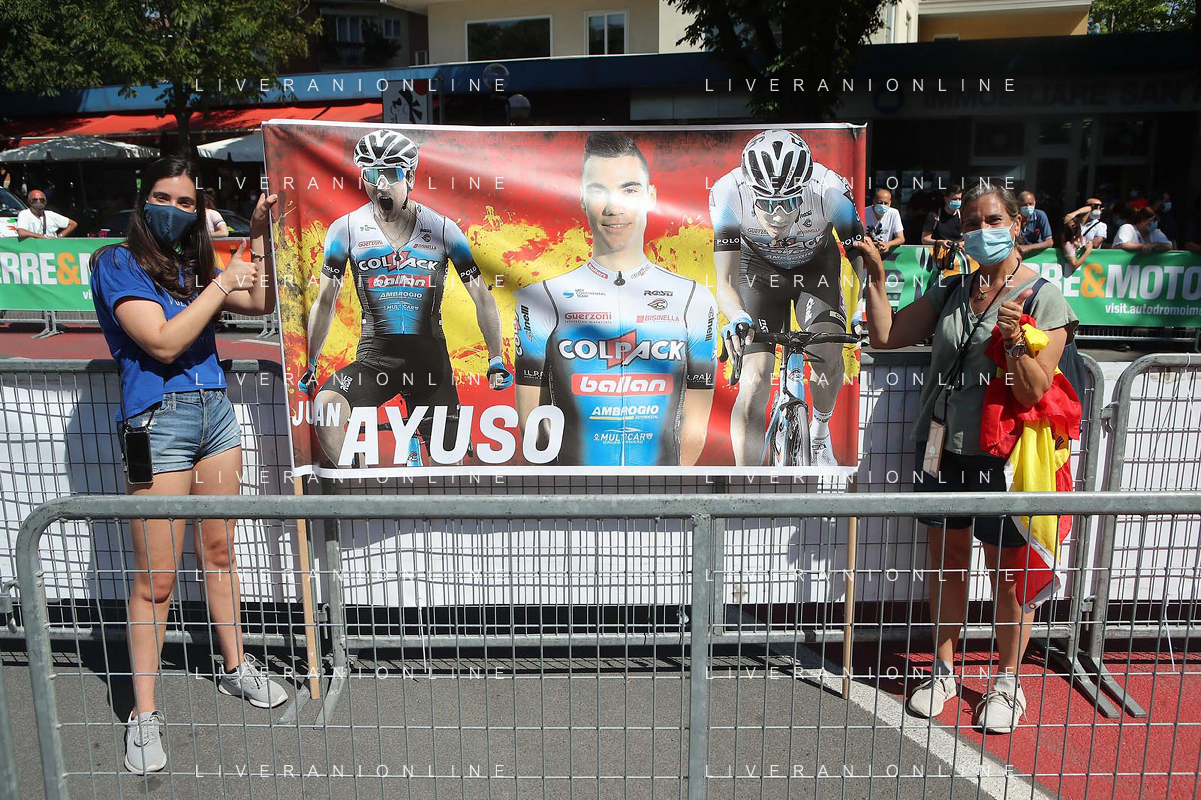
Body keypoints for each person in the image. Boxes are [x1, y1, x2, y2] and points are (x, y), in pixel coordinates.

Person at [90, 156, 287, 774]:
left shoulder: (190, 265)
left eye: (184, 201)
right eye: (162, 197)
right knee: (157, 580)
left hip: (215, 416)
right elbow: (163, 340)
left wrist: (258, 234)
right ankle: (143, 714)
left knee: (220, 552)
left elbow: (263, 300)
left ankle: (235, 666)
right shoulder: (115, 263)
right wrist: (222, 284)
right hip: (159, 424)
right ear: (141, 200)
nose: (173, 210)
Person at [861, 183, 1078, 735]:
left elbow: (1033, 391)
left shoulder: (1043, 297)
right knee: (947, 560)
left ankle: (1007, 682)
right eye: (971, 223)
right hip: (940, 447)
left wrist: (1014, 341)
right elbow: (885, 336)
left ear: (1016, 224)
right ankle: (943, 672)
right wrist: (875, 278)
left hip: (1003, 455)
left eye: (992, 220)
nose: (982, 231)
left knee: (1007, 573)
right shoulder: (953, 289)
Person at [299, 129, 511, 468]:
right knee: (327, 409)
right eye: (372, 175)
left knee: (448, 468)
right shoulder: (345, 228)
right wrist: (310, 362)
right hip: (375, 359)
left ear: (410, 177)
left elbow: (482, 298)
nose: (381, 185)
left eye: (391, 174)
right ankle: (361, 490)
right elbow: (325, 301)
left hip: (429, 363)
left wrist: (495, 358)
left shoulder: (442, 228)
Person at [514, 132, 717, 466]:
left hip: (662, 492)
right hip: (573, 493)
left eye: (629, 190)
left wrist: (668, 488)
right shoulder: (541, 298)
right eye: (598, 191)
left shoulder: (693, 298)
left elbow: (695, 427)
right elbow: (532, 422)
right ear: (582, 199)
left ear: (651, 197)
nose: (614, 207)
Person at [709, 129, 864, 467]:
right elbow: (725, 282)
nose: (777, 216)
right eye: (766, 204)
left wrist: (862, 307)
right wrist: (737, 317)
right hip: (757, 272)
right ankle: (745, 482)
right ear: (750, 190)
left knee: (827, 351)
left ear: (805, 188)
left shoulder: (830, 190)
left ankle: (820, 433)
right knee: (754, 379)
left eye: (790, 202)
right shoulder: (727, 192)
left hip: (815, 269)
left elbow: (862, 260)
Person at [864, 187, 905, 255]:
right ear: (874, 201)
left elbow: (901, 238)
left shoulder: (894, 213)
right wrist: (874, 244)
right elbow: (858, 237)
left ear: (890, 203)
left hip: (885, 252)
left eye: (886, 203)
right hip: (866, 251)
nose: (883, 205)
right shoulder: (864, 212)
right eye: (880, 202)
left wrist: (888, 244)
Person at [921, 184, 963, 249]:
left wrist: (961, 243)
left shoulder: (963, 216)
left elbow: (970, 238)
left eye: (959, 199)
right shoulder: (934, 215)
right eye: (954, 199)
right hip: (938, 252)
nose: (957, 202)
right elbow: (924, 239)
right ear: (946, 199)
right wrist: (940, 242)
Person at [1016, 190, 1053, 256]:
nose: (1028, 207)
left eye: (1030, 204)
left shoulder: (1040, 216)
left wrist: (1028, 247)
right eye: (1024, 204)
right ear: (1018, 205)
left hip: (1035, 254)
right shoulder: (1014, 218)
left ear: (1034, 204)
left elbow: (1049, 242)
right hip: (1018, 253)